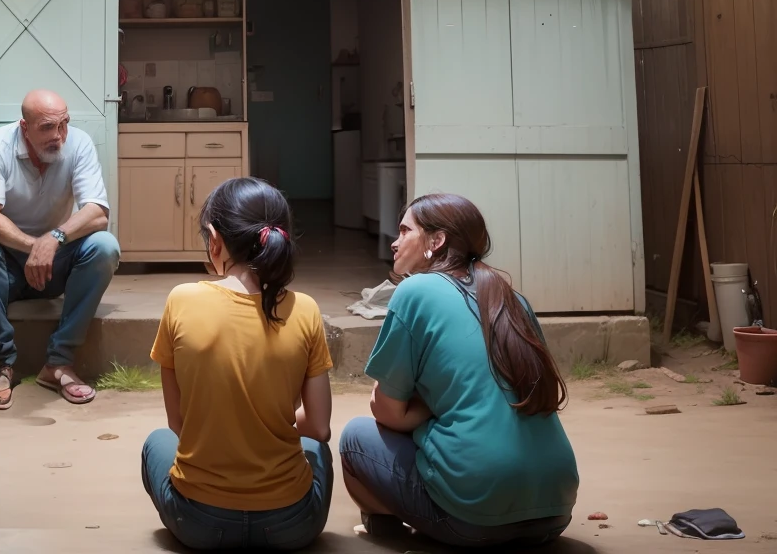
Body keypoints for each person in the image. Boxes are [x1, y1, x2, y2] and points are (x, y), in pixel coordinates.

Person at [339, 193, 578, 548]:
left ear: (436, 242)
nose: (395, 241)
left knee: (356, 436)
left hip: (475, 520)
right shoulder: (513, 298)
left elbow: (386, 411)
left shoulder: (415, 291)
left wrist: (427, 408)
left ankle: (388, 525)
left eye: (405, 231)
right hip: (556, 509)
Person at [143, 176, 335, 551]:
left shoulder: (181, 300)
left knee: (157, 442)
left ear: (214, 240)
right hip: (290, 526)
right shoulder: (305, 309)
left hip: (199, 524)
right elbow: (320, 428)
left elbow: (179, 422)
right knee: (316, 451)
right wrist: (270, 421)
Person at [0, 89, 120, 410]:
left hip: (48, 260)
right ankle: (3, 363)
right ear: (25, 127)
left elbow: (98, 213)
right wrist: (35, 246)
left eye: (63, 124)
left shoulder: (78, 145)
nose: (58, 135)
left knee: (105, 245)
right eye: (47, 127)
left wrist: (54, 239)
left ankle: (58, 363)